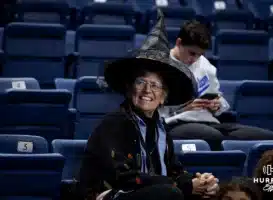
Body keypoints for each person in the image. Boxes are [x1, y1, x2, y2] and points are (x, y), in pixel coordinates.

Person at [77, 10, 219, 200]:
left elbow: (174, 171)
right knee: (171, 193)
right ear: (129, 89)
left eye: (155, 85)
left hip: (154, 194)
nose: (147, 91)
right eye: (140, 82)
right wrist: (185, 185)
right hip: (109, 195)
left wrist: (199, 181)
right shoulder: (115, 123)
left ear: (163, 97)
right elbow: (127, 179)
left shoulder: (160, 127)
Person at [159, 20, 273, 150]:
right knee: (214, 136)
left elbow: (217, 97)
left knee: (272, 139)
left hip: (209, 122)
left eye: (200, 54)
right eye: (192, 53)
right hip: (174, 122)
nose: (194, 59)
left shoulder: (205, 65)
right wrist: (183, 107)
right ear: (179, 43)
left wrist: (216, 105)